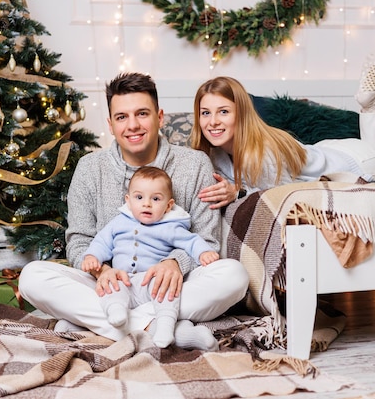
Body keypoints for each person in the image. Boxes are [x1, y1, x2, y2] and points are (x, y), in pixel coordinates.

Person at [19, 72, 249, 351]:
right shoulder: (90, 167)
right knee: (32, 277)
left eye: (142, 114)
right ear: (111, 124)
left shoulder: (194, 164)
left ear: (160, 117)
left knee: (234, 276)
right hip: (111, 287)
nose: (133, 125)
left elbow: (207, 240)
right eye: (122, 117)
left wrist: (175, 263)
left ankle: (98, 325)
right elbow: (78, 241)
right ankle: (158, 328)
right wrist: (102, 270)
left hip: (171, 286)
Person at [192, 42, 375, 209]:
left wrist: (238, 192)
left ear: (241, 115)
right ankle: (370, 106)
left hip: (358, 163)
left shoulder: (264, 154)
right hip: (333, 150)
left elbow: (281, 196)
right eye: (205, 113)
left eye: (223, 112)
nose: (212, 122)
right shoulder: (215, 154)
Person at [83, 166, 220, 348]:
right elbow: (101, 242)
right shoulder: (119, 222)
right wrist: (93, 256)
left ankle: (164, 324)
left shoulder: (170, 226)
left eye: (155, 199)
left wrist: (204, 252)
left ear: (168, 205)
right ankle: (117, 312)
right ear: (129, 200)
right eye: (139, 198)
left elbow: (192, 241)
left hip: (152, 282)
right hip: (122, 279)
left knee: (167, 288)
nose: (146, 204)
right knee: (110, 288)